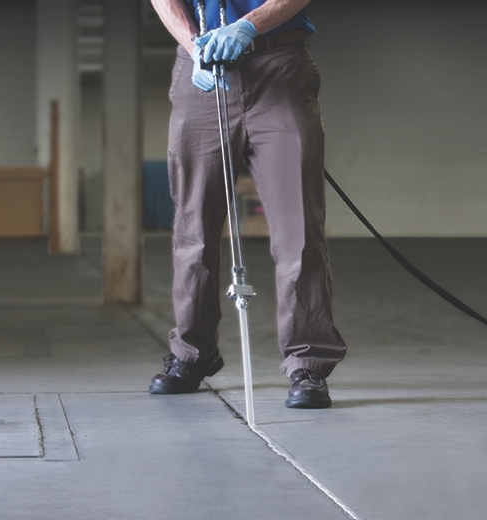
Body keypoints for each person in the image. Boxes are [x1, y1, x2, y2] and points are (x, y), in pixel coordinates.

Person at [148, 0, 346, 408]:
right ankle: (192, 353)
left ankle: (307, 362)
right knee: (194, 227)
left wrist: (247, 27)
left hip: (279, 64)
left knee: (299, 229)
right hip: (200, 65)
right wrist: (192, 46)